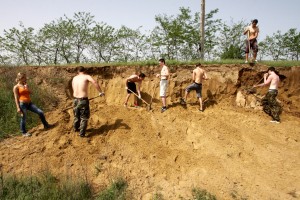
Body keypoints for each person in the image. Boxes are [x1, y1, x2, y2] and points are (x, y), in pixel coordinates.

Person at [13, 72, 51, 137]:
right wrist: (18, 107)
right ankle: (24, 133)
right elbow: (16, 98)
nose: (26, 79)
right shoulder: (16, 87)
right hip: (22, 104)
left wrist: (26, 87)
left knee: (40, 112)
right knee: (23, 118)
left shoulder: (25, 85)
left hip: (29, 103)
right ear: (20, 78)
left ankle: (46, 125)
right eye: (24, 78)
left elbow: (31, 92)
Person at [72, 66, 104, 137]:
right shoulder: (86, 76)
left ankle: (75, 128)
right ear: (85, 71)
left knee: (76, 115)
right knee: (84, 117)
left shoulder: (75, 78)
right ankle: (82, 134)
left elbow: (73, 87)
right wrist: (100, 92)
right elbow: (94, 82)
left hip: (75, 100)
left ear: (78, 71)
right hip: (83, 100)